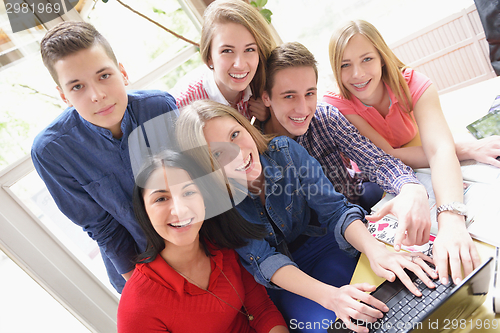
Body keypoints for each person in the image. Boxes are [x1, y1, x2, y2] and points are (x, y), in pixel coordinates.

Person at [176, 100, 437, 333]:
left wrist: (376, 250)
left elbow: (335, 210)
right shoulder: (216, 207)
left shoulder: (284, 152)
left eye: (235, 134)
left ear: (246, 127)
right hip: (286, 280)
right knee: (332, 326)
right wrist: (331, 297)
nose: (237, 152)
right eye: (218, 154)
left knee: (391, 292)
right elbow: (265, 261)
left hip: (327, 246)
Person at [324, 20, 489, 287]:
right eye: (345, 64)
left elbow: (439, 148)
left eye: (367, 59)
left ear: (382, 57)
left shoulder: (413, 83)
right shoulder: (337, 105)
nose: (357, 73)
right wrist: (465, 149)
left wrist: (451, 221)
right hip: (381, 177)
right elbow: (388, 155)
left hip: (418, 157)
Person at [31, 21, 178, 293]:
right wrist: (148, 291)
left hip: (201, 244)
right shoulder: (51, 152)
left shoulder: (160, 108)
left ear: (122, 72)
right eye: (77, 87)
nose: (97, 95)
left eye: (104, 76)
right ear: (63, 96)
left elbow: (194, 185)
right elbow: (102, 228)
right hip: (138, 267)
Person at [260, 42, 431, 249]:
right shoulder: (257, 149)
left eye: (309, 93)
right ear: (266, 97)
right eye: (289, 96)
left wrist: (410, 187)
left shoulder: (325, 117)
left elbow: (376, 160)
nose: (303, 108)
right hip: (314, 239)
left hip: (355, 203)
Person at [117, 149, 288, 333]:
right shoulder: (138, 306)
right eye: (161, 198)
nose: (179, 210)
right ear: (145, 212)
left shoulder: (225, 244)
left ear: (204, 200)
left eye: (188, 192)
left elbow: (261, 310)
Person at [173, 0, 274, 122]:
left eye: (249, 49)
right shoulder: (182, 107)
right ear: (209, 57)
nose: (240, 64)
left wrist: (268, 118)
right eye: (227, 51)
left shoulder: (263, 84)